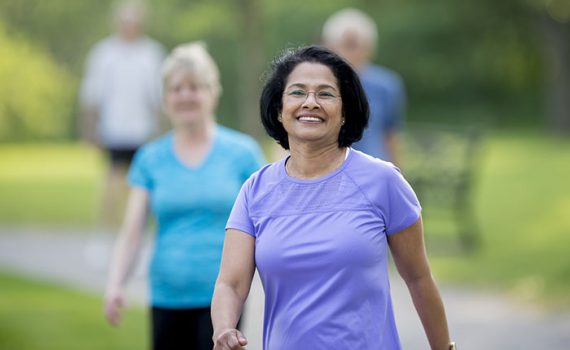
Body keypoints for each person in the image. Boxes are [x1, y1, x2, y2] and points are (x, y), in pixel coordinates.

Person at [211, 46, 455, 350]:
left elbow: (419, 278)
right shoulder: (255, 190)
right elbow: (230, 284)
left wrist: (444, 347)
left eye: (325, 94)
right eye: (297, 92)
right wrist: (223, 328)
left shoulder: (383, 182)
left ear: (345, 112)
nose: (310, 102)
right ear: (278, 109)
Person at [104, 42, 265, 350]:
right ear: (165, 99)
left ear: (213, 93)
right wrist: (115, 284)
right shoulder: (149, 158)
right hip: (166, 295)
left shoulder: (243, 154)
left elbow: (267, 226)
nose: (185, 96)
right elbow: (133, 231)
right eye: (176, 88)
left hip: (224, 299)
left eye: (195, 87)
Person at [79, 0, 165, 227]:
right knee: (111, 185)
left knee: (139, 186)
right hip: (113, 129)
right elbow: (91, 95)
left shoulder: (151, 53)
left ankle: (136, 230)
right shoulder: (103, 53)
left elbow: (158, 97)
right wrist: (89, 130)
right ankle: (107, 229)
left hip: (141, 130)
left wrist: (160, 130)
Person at [322, 8, 406, 164]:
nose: (350, 52)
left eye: (355, 45)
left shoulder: (387, 85)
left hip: (373, 170)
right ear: (330, 46)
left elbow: (390, 136)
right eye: (346, 44)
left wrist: (398, 176)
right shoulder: (319, 83)